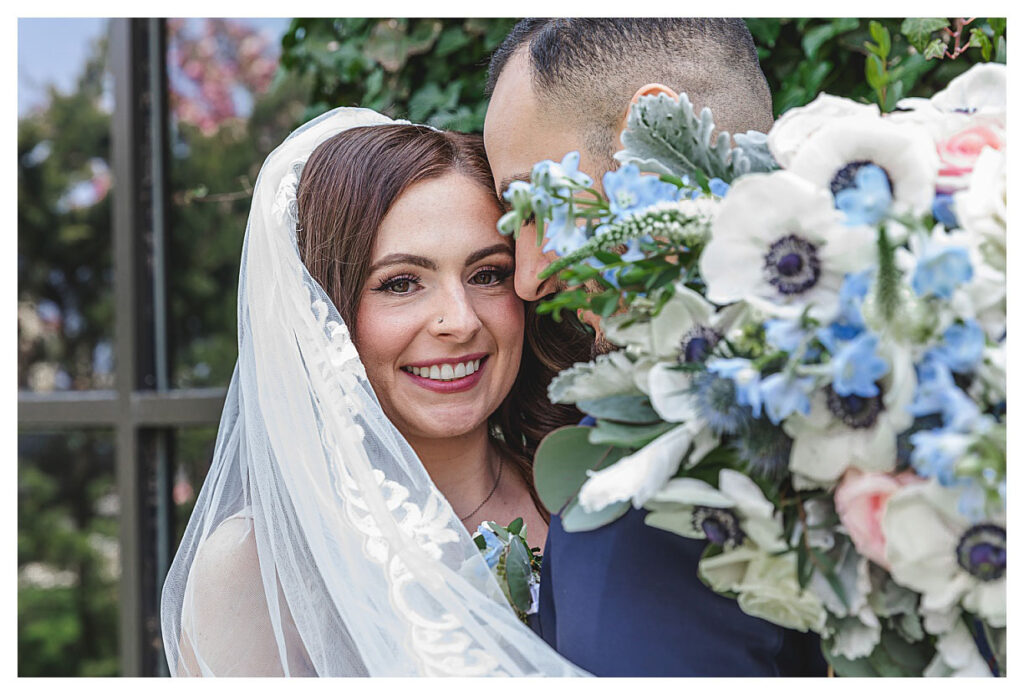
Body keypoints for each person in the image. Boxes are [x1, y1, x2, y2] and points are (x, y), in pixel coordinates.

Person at [160, 107, 589, 676]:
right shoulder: (255, 569)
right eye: (401, 283)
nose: (458, 321)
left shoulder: (587, 493)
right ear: (325, 314)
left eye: (487, 273)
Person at [483, 18, 828, 676]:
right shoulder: (926, 365)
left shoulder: (644, 479)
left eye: (534, 203)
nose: (528, 277)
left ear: (655, 143)